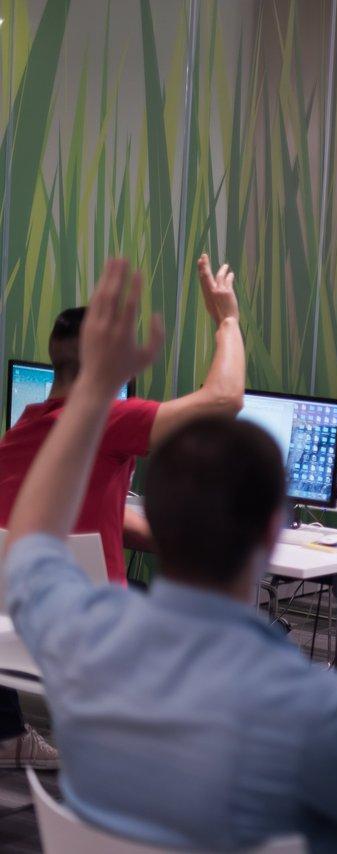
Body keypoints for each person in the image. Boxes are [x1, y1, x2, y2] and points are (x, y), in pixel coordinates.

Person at [2, 259, 337, 852]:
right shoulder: (314, 709)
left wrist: (89, 390)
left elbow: (30, 540)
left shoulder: (75, 636)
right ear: (273, 532)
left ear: (152, 514)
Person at [0, 253, 243, 770]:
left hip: (14, 626)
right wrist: (227, 321)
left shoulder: (19, 434)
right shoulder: (108, 420)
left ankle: (8, 735)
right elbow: (225, 400)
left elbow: (73, 522)